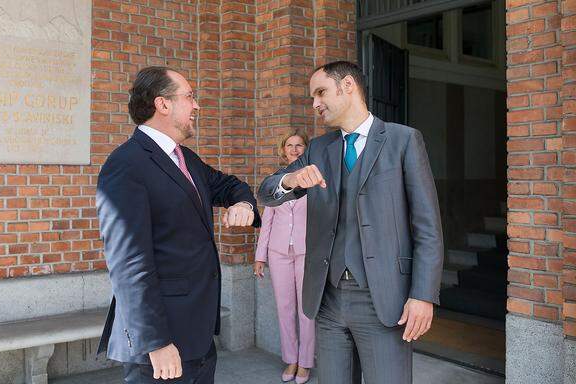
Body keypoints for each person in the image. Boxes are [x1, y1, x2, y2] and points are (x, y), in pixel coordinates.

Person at [257, 60, 444, 384]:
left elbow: (427, 227)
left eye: (320, 93)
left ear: (347, 87)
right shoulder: (318, 148)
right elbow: (266, 192)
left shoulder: (403, 140)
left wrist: (423, 294)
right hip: (327, 299)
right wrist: (292, 180)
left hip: (384, 299)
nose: (315, 104)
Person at [96, 66, 261, 384]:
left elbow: (229, 185)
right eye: (189, 96)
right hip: (160, 344)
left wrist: (243, 204)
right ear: (163, 104)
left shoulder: (186, 158)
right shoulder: (125, 165)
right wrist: (155, 342)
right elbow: (128, 264)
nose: (196, 105)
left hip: (197, 335)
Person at [253, 130, 314, 384]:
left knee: (306, 310)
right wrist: (260, 256)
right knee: (285, 308)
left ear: (306, 149)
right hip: (278, 253)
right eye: (290, 145)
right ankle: (291, 359)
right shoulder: (274, 181)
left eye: (300, 145)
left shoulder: (312, 180)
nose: (295, 149)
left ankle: (306, 362)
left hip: (306, 252)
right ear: (283, 150)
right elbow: (266, 223)